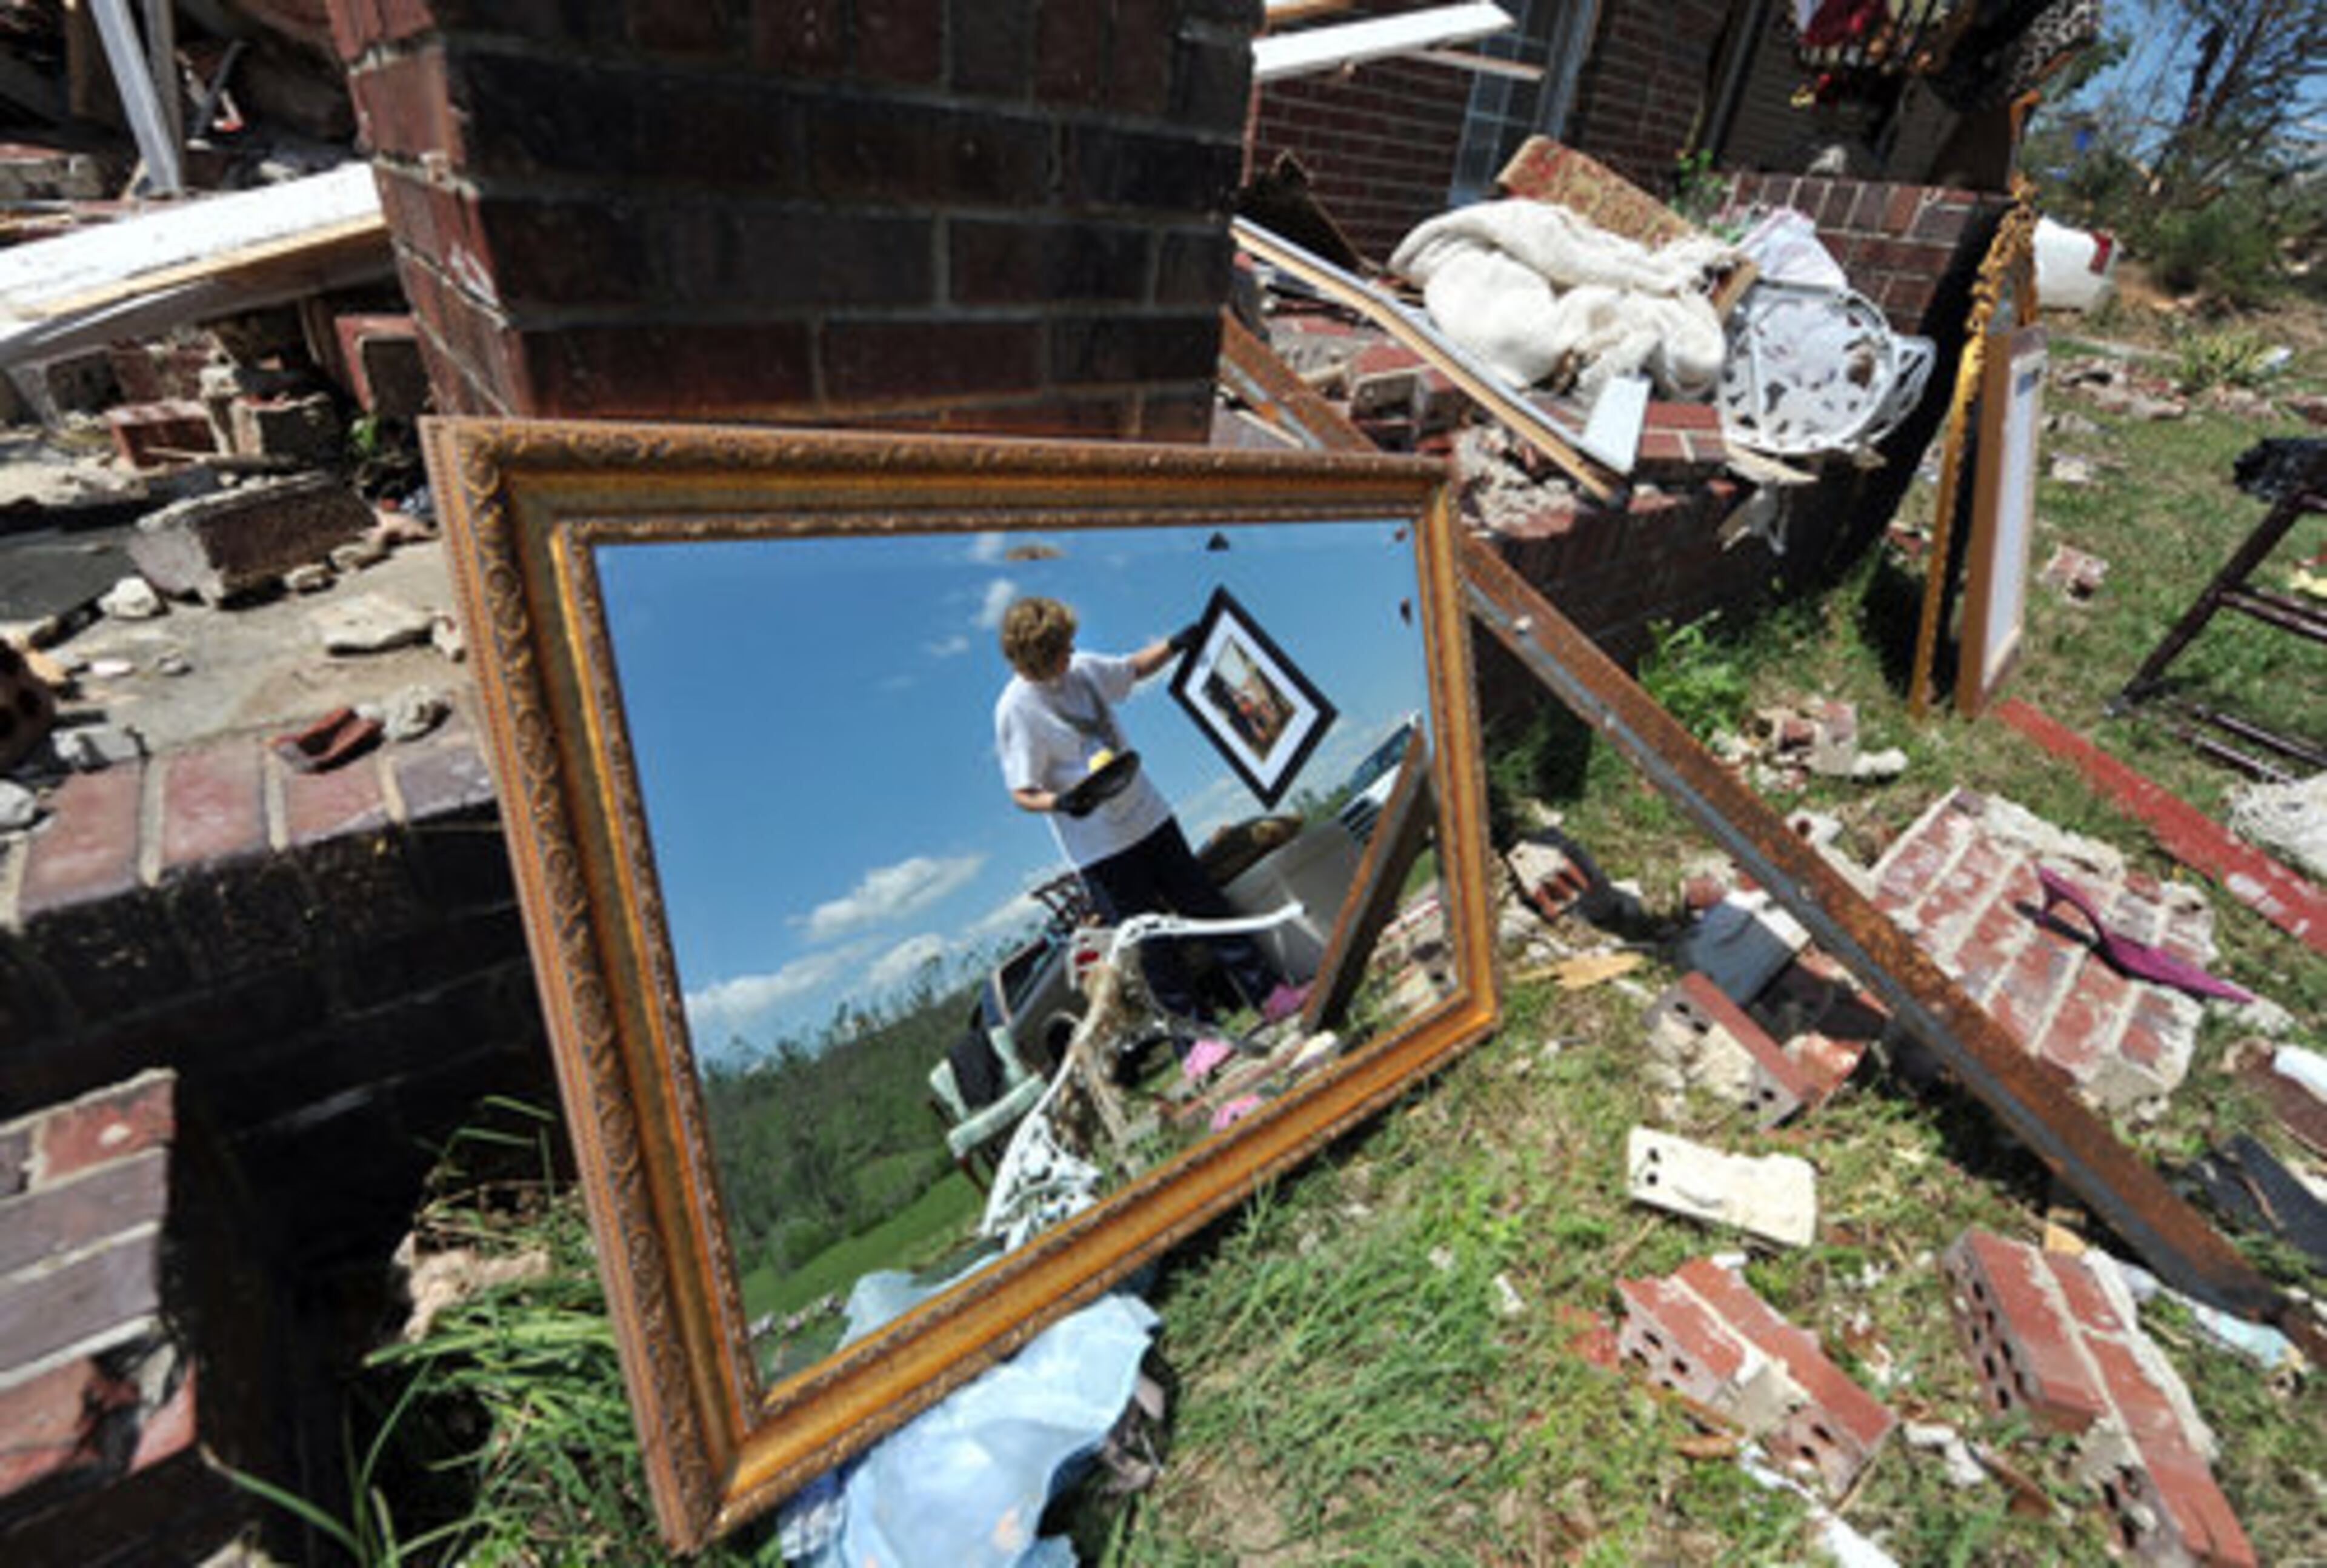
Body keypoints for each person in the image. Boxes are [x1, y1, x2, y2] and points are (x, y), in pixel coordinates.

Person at [994, 595, 1306, 1034]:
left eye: (1068, 643)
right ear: (1036, 658)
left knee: (1206, 906)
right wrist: (1061, 803)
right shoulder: (1016, 708)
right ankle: (1199, 1043)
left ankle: (1272, 996)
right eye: (1061, 649)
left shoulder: (1081, 670)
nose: (1071, 652)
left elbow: (1132, 669)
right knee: (1151, 946)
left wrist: (1178, 643)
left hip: (1148, 815)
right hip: (1101, 847)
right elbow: (1022, 792)